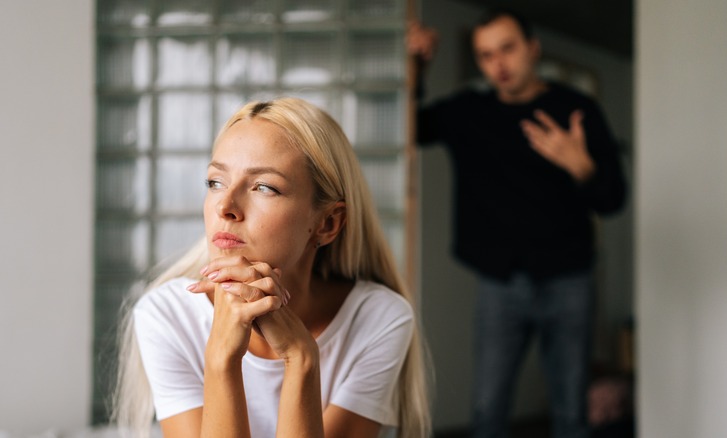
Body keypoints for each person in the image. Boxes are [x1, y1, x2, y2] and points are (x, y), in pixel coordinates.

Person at [111, 97, 432, 438]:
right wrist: (222, 357)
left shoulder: (379, 319)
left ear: (327, 224)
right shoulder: (166, 315)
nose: (226, 206)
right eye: (215, 182)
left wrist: (301, 358)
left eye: (264, 187)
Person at [408, 8, 627, 438]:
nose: (499, 64)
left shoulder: (576, 109)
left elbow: (614, 199)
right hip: (499, 283)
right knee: (488, 412)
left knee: (571, 414)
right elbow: (412, 128)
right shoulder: (470, 111)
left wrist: (582, 167)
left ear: (533, 48)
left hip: (570, 279)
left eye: (507, 48)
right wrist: (418, 64)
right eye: (486, 55)